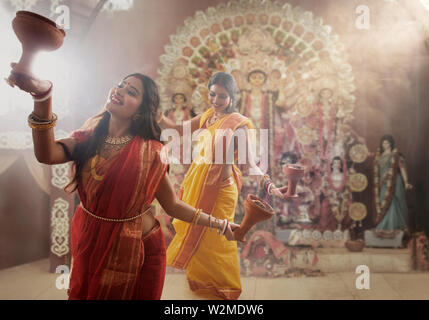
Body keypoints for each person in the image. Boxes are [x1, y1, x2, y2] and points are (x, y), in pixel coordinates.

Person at [7, 64, 240, 300]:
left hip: (138, 248)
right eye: (121, 85)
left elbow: (173, 206)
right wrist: (42, 97)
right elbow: (46, 154)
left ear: (140, 110)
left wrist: (220, 224)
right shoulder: (87, 139)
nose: (120, 90)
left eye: (131, 92)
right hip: (91, 237)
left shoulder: (151, 152)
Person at [159, 72, 288, 300]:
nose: (216, 100)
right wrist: (157, 115)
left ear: (232, 97)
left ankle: (225, 290)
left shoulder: (239, 124)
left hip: (221, 190)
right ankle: (203, 287)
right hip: (196, 184)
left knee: (219, 240)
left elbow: (249, 164)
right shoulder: (209, 115)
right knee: (199, 237)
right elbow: (179, 130)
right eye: (212, 94)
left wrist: (269, 185)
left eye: (222, 96)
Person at [373, 134, 412, 234]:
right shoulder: (379, 156)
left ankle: (393, 227)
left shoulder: (396, 155)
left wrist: (406, 182)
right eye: (383, 143)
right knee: (383, 201)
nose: (384, 145)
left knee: (393, 201)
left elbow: (402, 168)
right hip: (383, 183)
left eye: (386, 143)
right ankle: (384, 227)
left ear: (390, 144)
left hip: (394, 182)